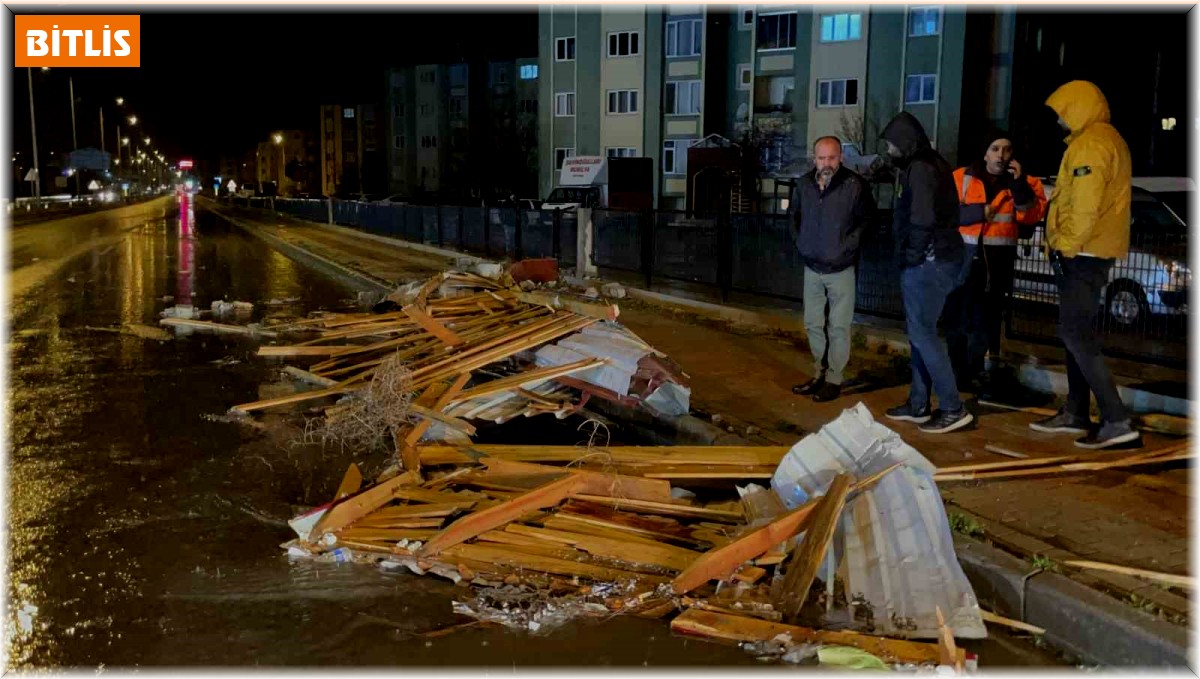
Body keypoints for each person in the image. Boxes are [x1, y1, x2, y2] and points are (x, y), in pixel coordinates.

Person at [1029, 80, 1141, 450]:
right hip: (1089, 251)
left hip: (1084, 253)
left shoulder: (1091, 144)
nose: (1059, 118)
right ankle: (1076, 410)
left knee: (1076, 333)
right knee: (1074, 332)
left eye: (1062, 111)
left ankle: (1116, 419)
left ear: (1078, 107)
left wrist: (1065, 245)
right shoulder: (1104, 140)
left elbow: (1085, 205)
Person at [879, 112, 973, 434]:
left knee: (923, 334)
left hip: (929, 262)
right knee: (920, 332)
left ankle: (952, 408)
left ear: (906, 142)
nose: (889, 150)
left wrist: (912, 257)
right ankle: (919, 403)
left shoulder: (919, 169)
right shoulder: (931, 164)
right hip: (939, 258)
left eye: (892, 144)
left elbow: (921, 219)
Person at [943, 130, 1048, 397]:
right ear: (984, 151)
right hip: (964, 260)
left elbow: (1031, 216)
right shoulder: (960, 177)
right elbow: (943, 213)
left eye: (1007, 149)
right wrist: (976, 213)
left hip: (996, 264)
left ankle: (974, 373)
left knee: (984, 324)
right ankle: (957, 374)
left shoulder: (1025, 182)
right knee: (957, 322)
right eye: (995, 148)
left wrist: (1019, 184)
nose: (1001, 155)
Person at [790, 136, 875, 402]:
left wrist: (847, 248)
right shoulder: (804, 184)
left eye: (832, 157)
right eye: (822, 157)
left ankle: (834, 380)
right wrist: (802, 243)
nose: (826, 163)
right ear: (814, 158)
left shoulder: (855, 185)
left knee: (838, 327)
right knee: (813, 324)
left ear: (841, 157)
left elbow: (868, 222)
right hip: (812, 267)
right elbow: (794, 217)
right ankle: (819, 373)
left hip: (841, 269)